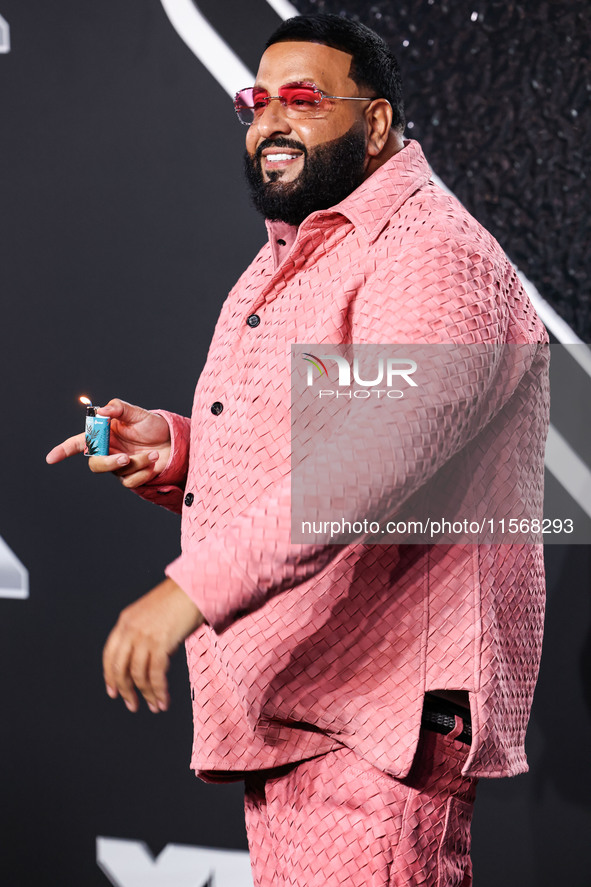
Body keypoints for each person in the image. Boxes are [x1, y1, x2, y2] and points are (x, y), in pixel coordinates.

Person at [46, 14, 549, 887]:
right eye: (257, 100)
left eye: (304, 100)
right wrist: (178, 449)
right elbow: (318, 440)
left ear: (379, 122)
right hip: (304, 707)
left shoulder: (433, 254)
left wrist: (185, 596)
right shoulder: (300, 253)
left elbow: (376, 462)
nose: (270, 119)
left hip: (378, 725)